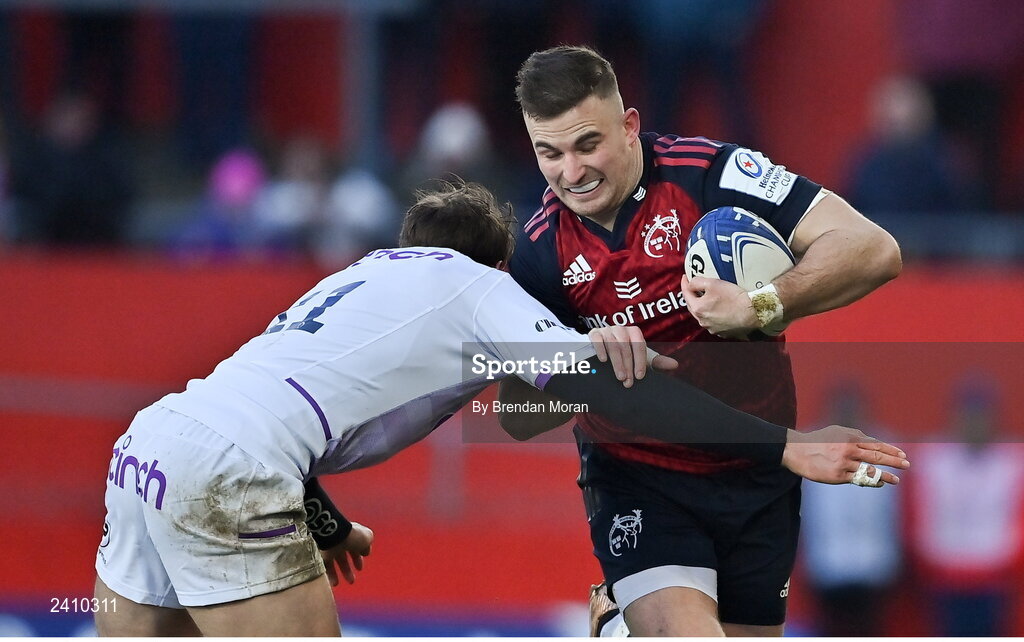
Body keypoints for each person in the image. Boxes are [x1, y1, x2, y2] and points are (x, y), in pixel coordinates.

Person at [94, 181, 906, 637]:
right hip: (232, 473)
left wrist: (326, 522)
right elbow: (605, 389)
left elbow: (268, 415)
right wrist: (781, 442)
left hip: (150, 450)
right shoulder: (475, 284)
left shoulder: (357, 278)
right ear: (500, 265)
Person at [502, 46, 904, 637]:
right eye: (549, 153)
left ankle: (620, 626)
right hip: (639, 478)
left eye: (588, 145)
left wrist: (761, 303)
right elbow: (516, 413)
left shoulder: (711, 174)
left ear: (629, 125)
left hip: (759, 472)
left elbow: (874, 249)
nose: (572, 172)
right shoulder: (539, 252)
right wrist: (584, 360)